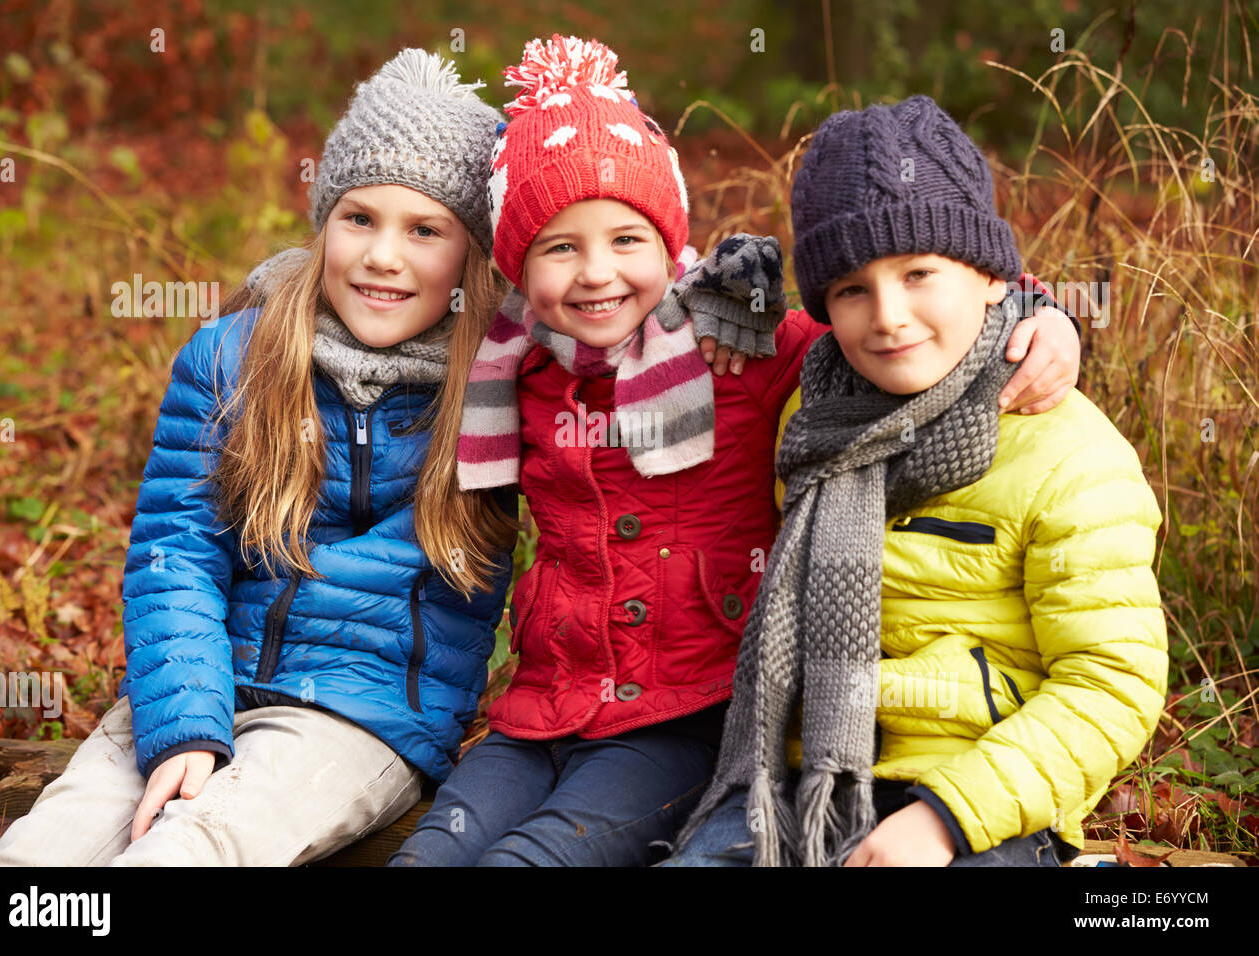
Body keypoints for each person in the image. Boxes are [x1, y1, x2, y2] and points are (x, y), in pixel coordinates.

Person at [390, 37, 1082, 867]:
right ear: (515, 265)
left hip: (691, 707)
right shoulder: (515, 369)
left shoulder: (739, 347)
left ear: (667, 238)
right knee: (431, 853)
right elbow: (381, 314)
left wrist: (1046, 314)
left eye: (624, 239)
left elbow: (889, 330)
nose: (595, 273)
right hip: (545, 703)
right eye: (558, 247)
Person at [0, 50, 517, 866]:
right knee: (45, 853)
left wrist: (724, 296)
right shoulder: (235, 356)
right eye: (358, 218)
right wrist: (186, 722)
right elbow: (176, 550)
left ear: (472, 256)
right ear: (323, 220)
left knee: (194, 848)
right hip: (199, 678)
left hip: (361, 714)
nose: (382, 255)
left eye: (425, 230)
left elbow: (617, 305)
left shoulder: (500, 380)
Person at [664, 94, 1168, 867]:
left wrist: (947, 818)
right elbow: (644, 306)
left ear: (998, 278)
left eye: (920, 272)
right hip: (804, 778)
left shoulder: (1069, 455)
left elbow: (1113, 683)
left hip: (981, 799)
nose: (889, 316)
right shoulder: (811, 409)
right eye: (853, 289)